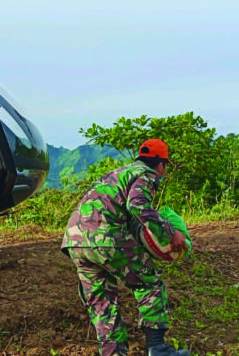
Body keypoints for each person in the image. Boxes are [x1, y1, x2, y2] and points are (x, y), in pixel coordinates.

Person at [61, 139, 189, 356]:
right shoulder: (147, 174)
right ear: (160, 165)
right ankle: (158, 348)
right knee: (150, 282)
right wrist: (170, 233)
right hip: (106, 238)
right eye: (165, 166)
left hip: (76, 241)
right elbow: (137, 205)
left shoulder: (118, 173)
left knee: (102, 302)